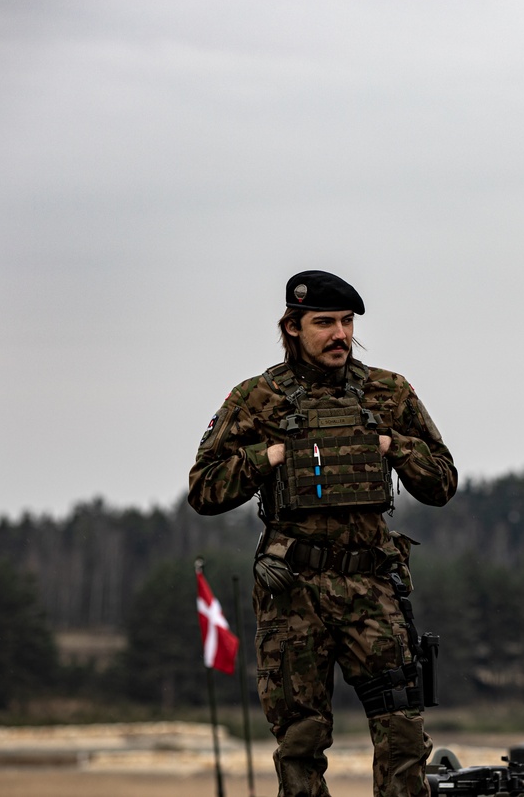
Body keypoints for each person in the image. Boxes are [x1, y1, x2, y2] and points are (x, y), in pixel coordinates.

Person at [188, 270, 457, 797]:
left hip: (372, 586)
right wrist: (265, 457)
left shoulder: (388, 392)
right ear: (292, 326)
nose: (340, 334)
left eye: (347, 322)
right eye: (325, 323)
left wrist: (391, 446)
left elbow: (442, 481)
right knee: (301, 741)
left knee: (403, 734)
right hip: (294, 590)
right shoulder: (257, 399)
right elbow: (203, 489)